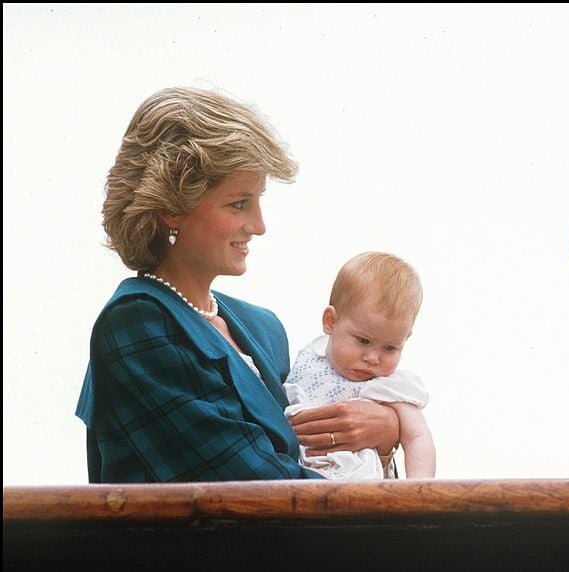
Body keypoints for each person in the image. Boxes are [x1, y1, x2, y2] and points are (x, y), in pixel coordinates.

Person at [75, 86, 399, 482]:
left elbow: (314, 463)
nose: (259, 226)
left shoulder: (263, 328)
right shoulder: (136, 323)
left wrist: (387, 432)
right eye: (239, 203)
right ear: (169, 209)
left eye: (259, 200)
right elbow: (249, 485)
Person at [284, 252, 436, 479]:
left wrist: (420, 490)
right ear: (330, 322)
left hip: (359, 487)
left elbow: (418, 437)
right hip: (292, 475)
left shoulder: (391, 386)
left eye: (390, 348)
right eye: (363, 341)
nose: (373, 358)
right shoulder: (308, 358)